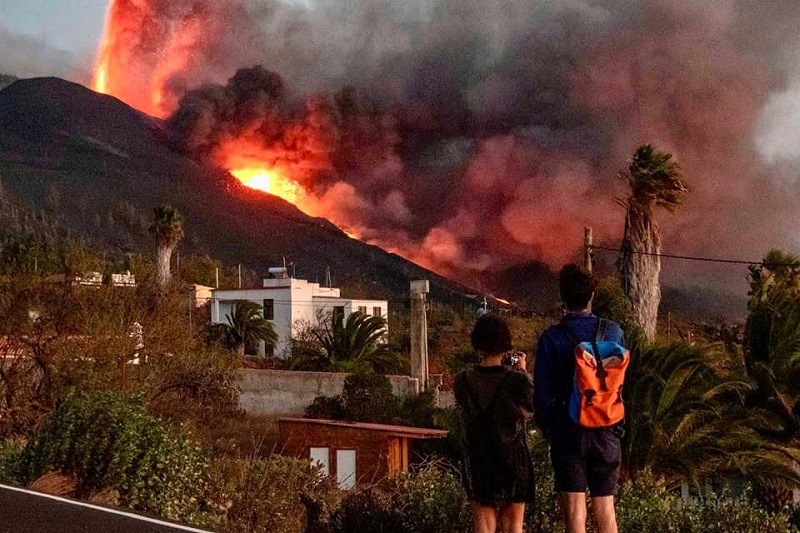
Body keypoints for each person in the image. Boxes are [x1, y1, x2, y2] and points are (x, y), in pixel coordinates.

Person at [533, 264, 625, 533]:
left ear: (562, 298)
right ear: (592, 295)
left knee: (575, 513)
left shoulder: (551, 339)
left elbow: (541, 395)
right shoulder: (614, 332)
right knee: (606, 510)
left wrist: (550, 428)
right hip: (606, 429)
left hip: (568, 431)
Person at [454, 314, 535, 533]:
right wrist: (521, 371)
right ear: (505, 344)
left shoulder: (464, 380)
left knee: (483, 524)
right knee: (514, 526)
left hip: (480, 458)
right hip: (514, 458)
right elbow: (530, 407)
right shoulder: (517, 380)